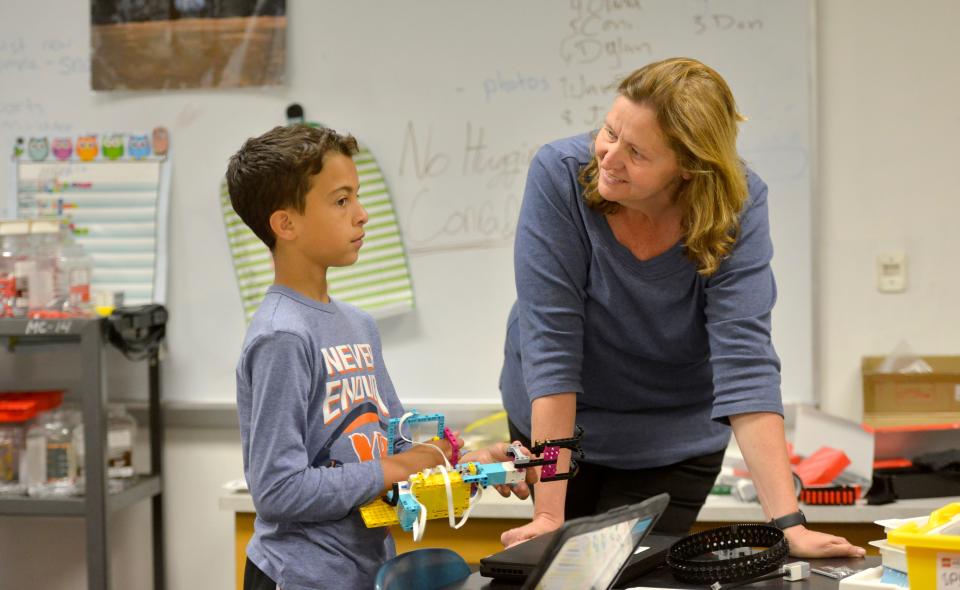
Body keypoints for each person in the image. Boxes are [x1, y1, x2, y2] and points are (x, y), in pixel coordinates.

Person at [498, 57, 865, 559]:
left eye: (636, 153)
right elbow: (552, 348)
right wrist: (547, 515)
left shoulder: (737, 205)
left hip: (673, 437)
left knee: (636, 572)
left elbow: (745, 360)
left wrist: (790, 525)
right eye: (609, 132)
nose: (608, 157)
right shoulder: (559, 175)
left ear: (687, 170)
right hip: (560, 425)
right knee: (567, 568)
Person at [227, 124, 535, 590]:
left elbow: (396, 444)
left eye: (357, 197)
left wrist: (471, 462)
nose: (362, 215)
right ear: (285, 223)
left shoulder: (358, 326)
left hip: (364, 570)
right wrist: (397, 467)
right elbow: (277, 490)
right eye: (341, 200)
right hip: (299, 577)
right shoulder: (281, 336)